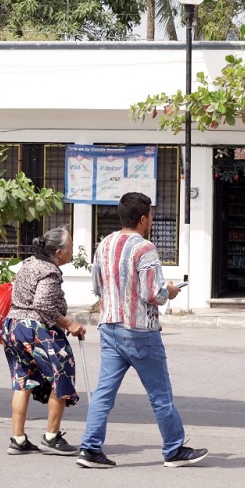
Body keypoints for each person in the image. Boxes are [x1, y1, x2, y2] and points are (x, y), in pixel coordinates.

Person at [77, 192, 207, 469]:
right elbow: (153, 293)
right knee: (160, 395)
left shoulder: (104, 244)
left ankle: (89, 448)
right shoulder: (145, 248)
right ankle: (173, 449)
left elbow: (98, 288)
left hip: (110, 327)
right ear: (143, 218)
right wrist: (169, 291)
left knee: (104, 393)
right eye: (150, 216)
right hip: (139, 331)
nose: (151, 220)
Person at [0, 226, 86, 455]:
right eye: (70, 248)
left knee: (22, 381)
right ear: (58, 252)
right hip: (36, 330)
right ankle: (51, 436)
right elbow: (43, 304)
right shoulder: (49, 271)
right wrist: (70, 325)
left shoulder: (29, 263)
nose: (72, 252)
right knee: (63, 374)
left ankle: (18, 439)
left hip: (13, 327)